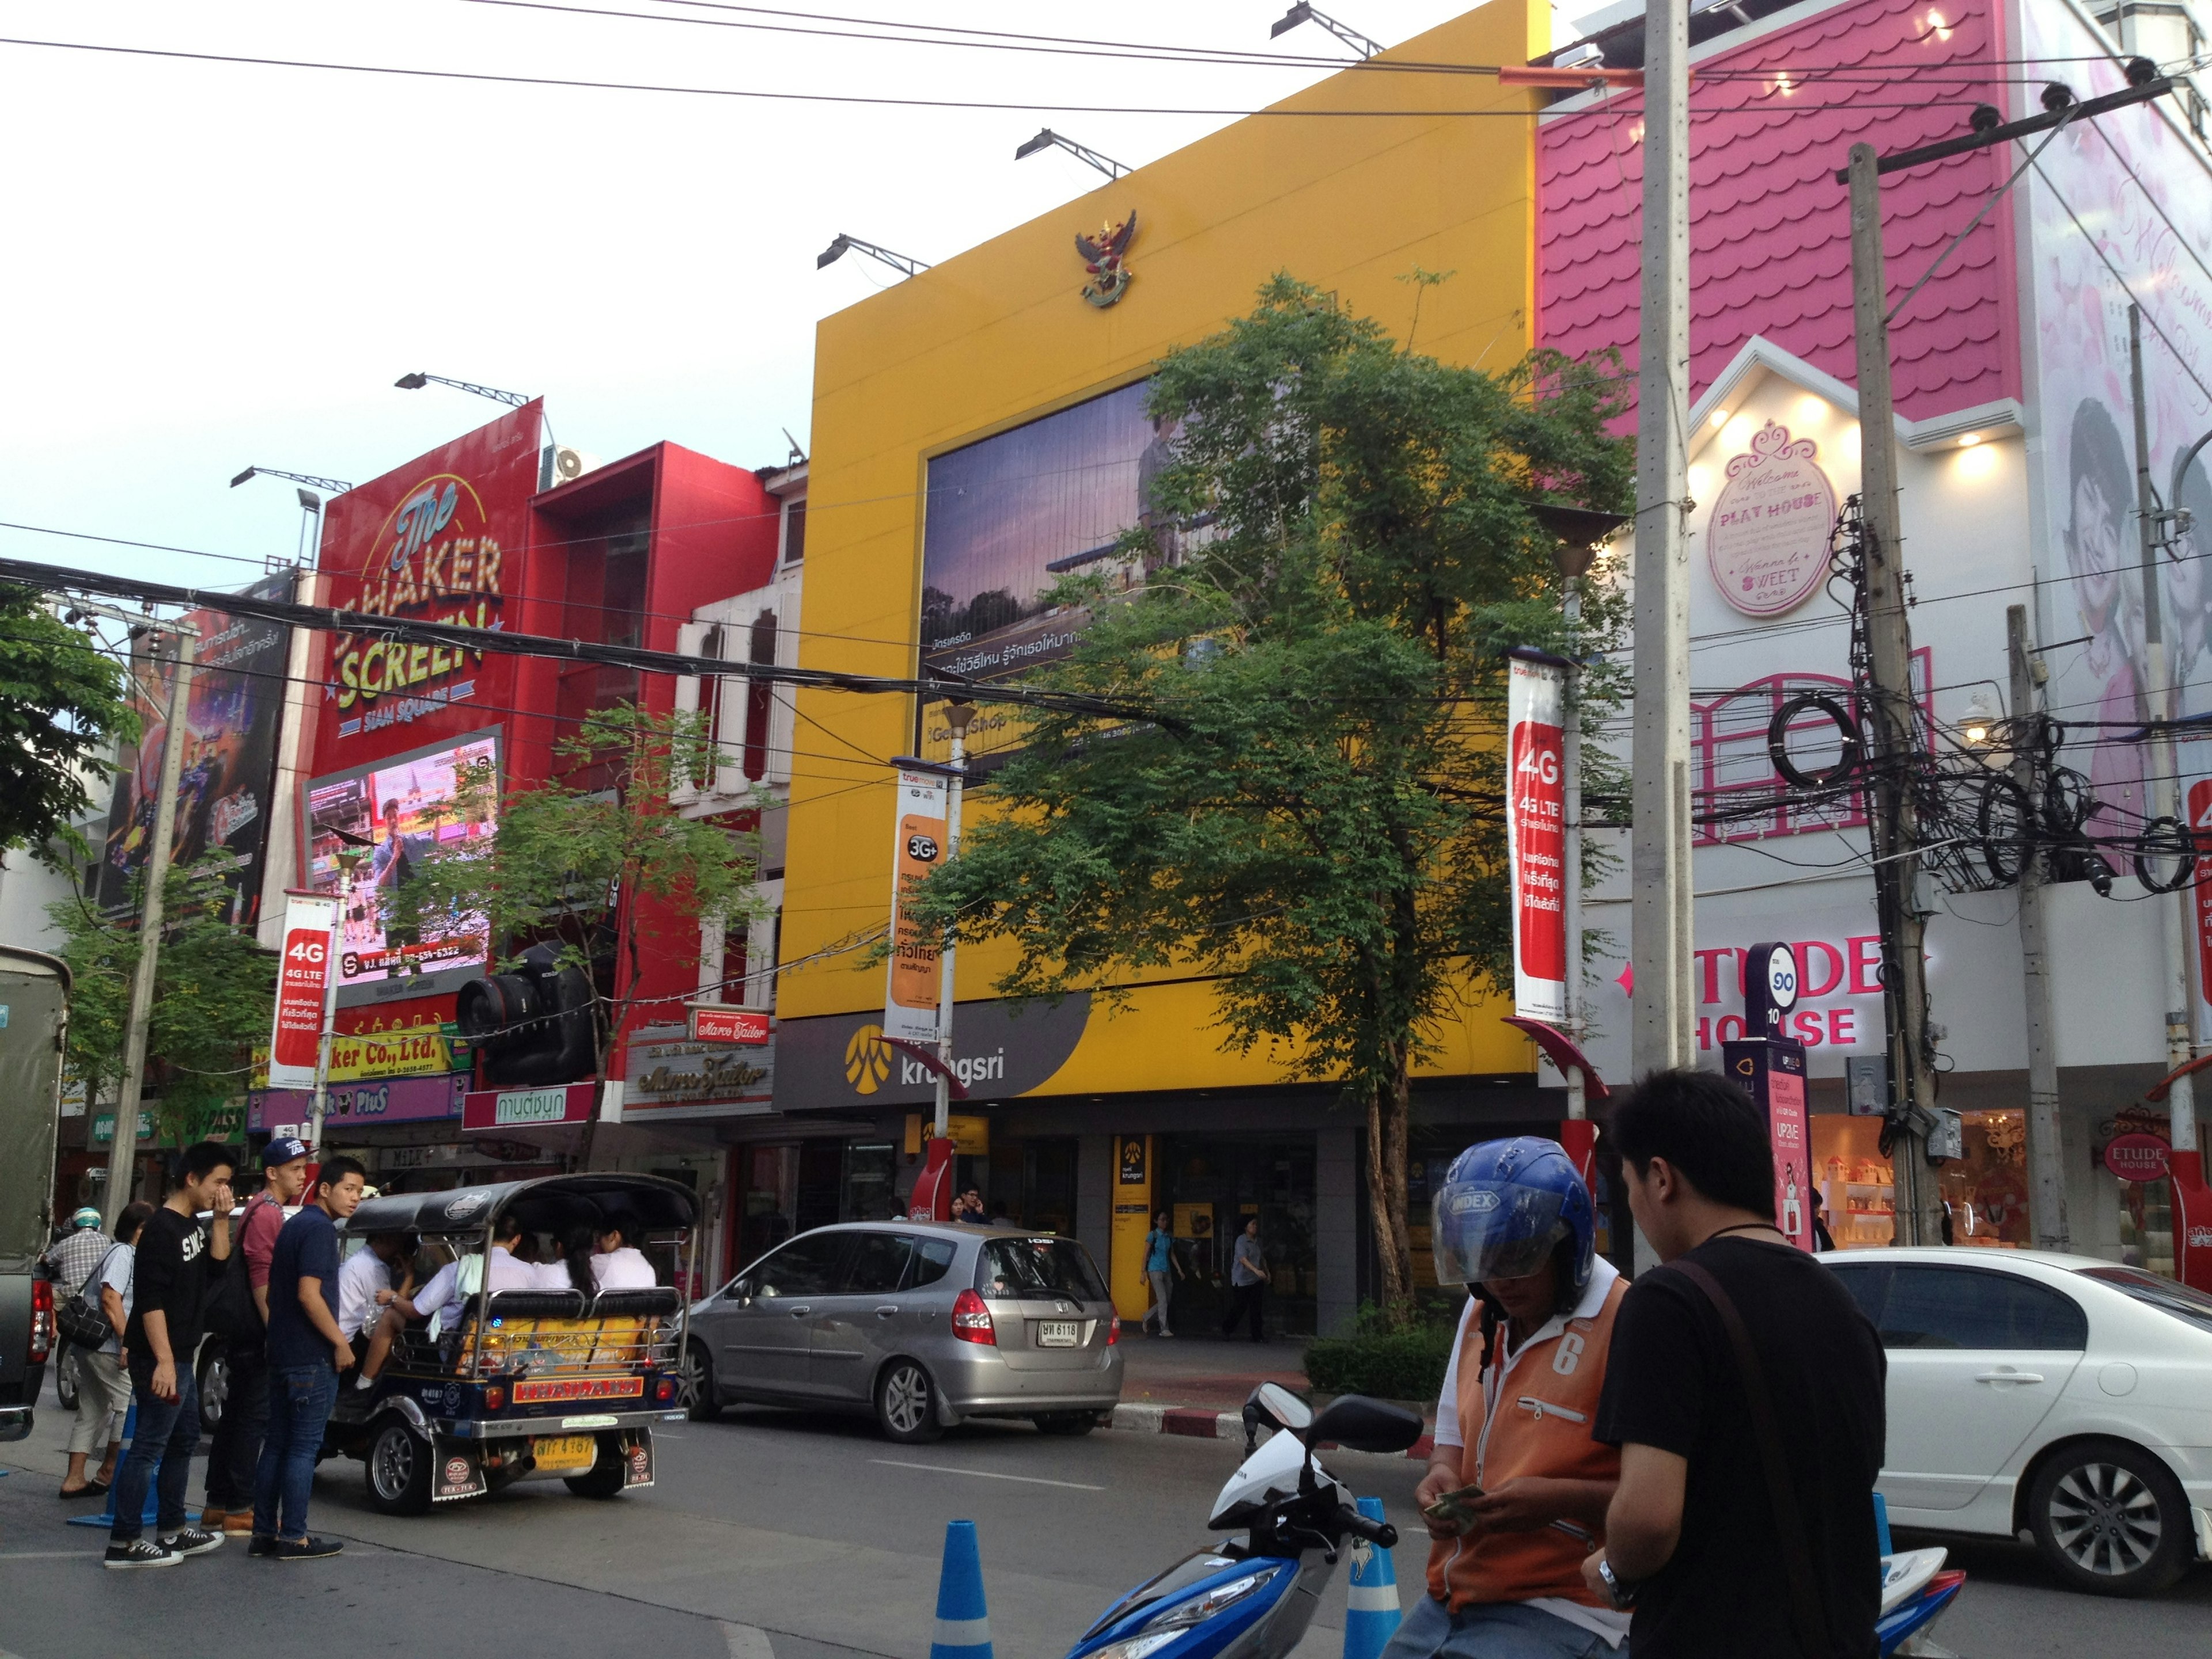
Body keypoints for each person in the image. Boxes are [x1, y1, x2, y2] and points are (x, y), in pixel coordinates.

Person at [1581, 1069, 1885, 1658]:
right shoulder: (1841, 1304)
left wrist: (1612, 1570)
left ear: (1662, 1178)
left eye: (1630, 1186)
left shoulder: (1668, 1302)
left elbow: (1647, 1518)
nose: (1637, 1208)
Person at [1385, 1138, 1627, 1659]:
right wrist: (1438, 1484)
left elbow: (1662, 1503)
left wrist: (1557, 1500)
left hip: (1569, 1606)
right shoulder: (1479, 1317)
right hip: (1452, 1597)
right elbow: (1448, 1450)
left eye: (1519, 1258)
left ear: (1570, 1245)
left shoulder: (1627, 1322)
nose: (1500, 1282)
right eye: (1483, 1261)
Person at [107, 1141, 236, 1569]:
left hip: (183, 1353)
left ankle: (172, 1529)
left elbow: (218, 1267)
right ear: (192, 1179)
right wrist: (163, 1360)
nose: (223, 1190)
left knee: (182, 1442)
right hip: (161, 1356)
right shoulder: (161, 1229)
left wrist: (220, 1220)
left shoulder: (193, 1226)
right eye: (218, 1182)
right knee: (148, 1446)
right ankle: (124, 1541)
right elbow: (150, 1301)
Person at [251, 1154, 367, 1562]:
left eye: (360, 1191)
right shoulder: (318, 1230)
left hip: (283, 1353)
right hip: (310, 1358)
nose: (356, 1198)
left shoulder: (294, 1225)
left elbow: (273, 1292)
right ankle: (294, 1537)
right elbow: (308, 1294)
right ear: (325, 1189)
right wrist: (340, 1341)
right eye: (349, 1189)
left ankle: (264, 1532)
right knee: (302, 1449)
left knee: (278, 1446)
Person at [201, 1135, 311, 1536]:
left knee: (234, 1417)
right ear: (272, 1172)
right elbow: (262, 1280)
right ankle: (240, 1506)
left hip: (241, 1331)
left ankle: (218, 1503)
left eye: (303, 1169)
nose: (302, 1176)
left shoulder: (260, 1210)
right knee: (252, 1418)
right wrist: (275, 1331)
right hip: (255, 1330)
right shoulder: (267, 1214)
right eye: (295, 1169)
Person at [357, 1210, 537, 1385]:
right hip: (510, 1349)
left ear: (484, 1234)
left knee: (390, 1316)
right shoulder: (530, 1273)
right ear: (517, 1239)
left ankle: (365, 1384)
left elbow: (415, 1311)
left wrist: (393, 1298)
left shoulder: (460, 1269)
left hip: (455, 1352)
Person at [61, 1203, 151, 1499]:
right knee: (128, 1406)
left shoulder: (122, 1252)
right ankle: (109, 1471)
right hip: (108, 1346)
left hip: (92, 1345)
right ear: (137, 1229)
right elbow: (111, 1298)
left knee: (93, 1409)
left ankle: (74, 1479)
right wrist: (128, 1341)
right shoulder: (125, 1253)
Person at [336, 1232, 416, 1362]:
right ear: (383, 1238)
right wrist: (409, 1277)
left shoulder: (361, 1260)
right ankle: (366, 1381)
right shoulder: (372, 1266)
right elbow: (387, 1315)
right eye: (399, 1245)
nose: (399, 1252)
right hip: (349, 1343)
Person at [1221, 1216, 1270, 1342]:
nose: (1255, 1227)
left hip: (1256, 1280)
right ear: (1246, 1227)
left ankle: (1257, 1335)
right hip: (1242, 1280)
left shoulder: (1258, 1241)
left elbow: (1262, 1258)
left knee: (1256, 1308)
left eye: (1256, 1224)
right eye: (1253, 1224)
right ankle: (1227, 1329)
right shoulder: (1241, 1241)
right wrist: (1256, 1271)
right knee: (1240, 1307)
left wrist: (1266, 1273)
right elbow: (1243, 1260)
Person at [1142, 1211, 1181, 1337]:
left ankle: (1147, 1316)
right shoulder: (1152, 1235)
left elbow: (1172, 1254)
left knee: (1166, 1300)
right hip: (1154, 1270)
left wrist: (1179, 1269)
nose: (1165, 1222)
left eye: (1166, 1220)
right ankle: (1164, 1328)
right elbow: (1146, 1254)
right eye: (1162, 1220)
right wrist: (1143, 1272)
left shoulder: (1169, 1236)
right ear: (1156, 1221)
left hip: (1166, 1270)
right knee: (1163, 1299)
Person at [592, 1216, 657, 1289]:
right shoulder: (649, 1269)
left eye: (600, 1237)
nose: (599, 1243)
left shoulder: (600, 1262)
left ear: (614, 1235)